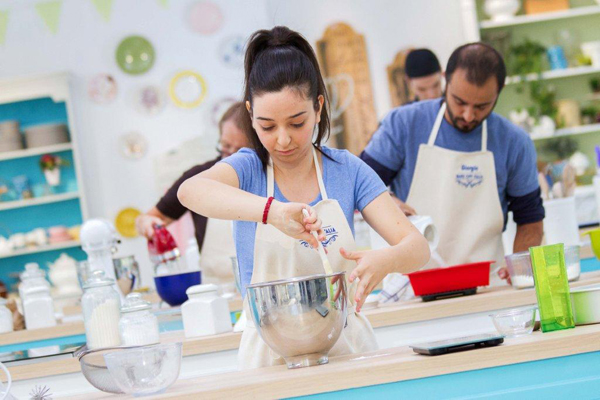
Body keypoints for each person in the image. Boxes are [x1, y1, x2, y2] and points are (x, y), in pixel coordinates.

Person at [177, 26, 430, 369]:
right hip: (268, 351)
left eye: (296, 123)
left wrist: (387, 259)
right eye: (267, 126)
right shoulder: (248, 169)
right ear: (250, 113)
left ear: (318, 107)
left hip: (345, 346)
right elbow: (190, 191)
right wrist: (273, 212)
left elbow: (417, 248)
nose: (283, 140)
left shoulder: (347, 170)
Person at [360, 43, 544, 284]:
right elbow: (360, 186)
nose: (468, 115)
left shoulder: (514, 142)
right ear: (446, 80)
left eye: (481, 106)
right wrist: (389, 201)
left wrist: (520, 267)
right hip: (412, 286)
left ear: (499, 91)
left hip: (487, 285)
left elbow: (530, 218)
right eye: (459, 101)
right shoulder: (404, 124)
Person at [136, 102, 251, 288]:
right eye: (225, 146)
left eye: (241, 151)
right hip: (215, 291)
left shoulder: (270, 176)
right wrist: (147, 225)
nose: (230, 157)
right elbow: (148, 218)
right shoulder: (198, 178)